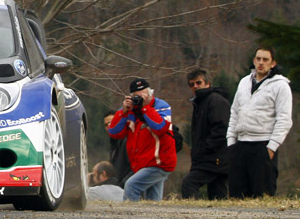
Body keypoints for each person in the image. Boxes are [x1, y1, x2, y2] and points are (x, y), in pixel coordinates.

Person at [227, 47, 294, 198]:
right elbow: (234, 112)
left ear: (273, 63)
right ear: (254, 61)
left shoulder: (280, 85)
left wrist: (271, 148)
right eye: (258, 59)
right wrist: (231, 143)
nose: (261, 63)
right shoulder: (244, 82)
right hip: (240, 145)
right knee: (237, 197)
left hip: (263, 145)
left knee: (261, 197)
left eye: (265, 60)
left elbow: (284, 119)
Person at [107, 78, 177, 201]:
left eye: (144, 95)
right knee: (153, 201)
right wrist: (123, 112)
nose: (140, 99)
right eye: (136, 96)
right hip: (143, 163)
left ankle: (131, 217)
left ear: (151, 94)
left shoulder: (161, 106)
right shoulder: (130, 110)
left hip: (160, 162)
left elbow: (160, 128)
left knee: (131, 185)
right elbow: (114, 132)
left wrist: (145, 108)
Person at [181, 68, 231, 199]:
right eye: (191, 84)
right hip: (213, 158)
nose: (195, 87)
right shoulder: (200, 102)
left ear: (208, 83)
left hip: (214, 158)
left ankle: (193, 216)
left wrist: (204, 149)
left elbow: (222, 129)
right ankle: (220, 218)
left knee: (189, 184)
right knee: (217, 195)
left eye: (198, 83)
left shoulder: (215, 101)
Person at [103, 108, 132, 187]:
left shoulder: (127, 141)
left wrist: (122, 184)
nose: (109, 126)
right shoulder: (113, 144)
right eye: (106, 124)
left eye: (111, 122)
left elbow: (134, 169)